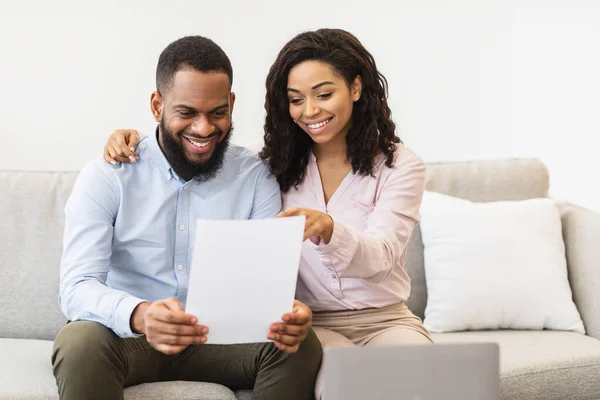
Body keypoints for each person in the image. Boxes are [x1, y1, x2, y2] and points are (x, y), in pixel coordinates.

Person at [103, 28, 432, 399]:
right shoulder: (270, 164)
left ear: (355, 88)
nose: (310, 111)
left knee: (424, 381)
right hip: (311, 323)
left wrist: (328, 228)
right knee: (349, 384)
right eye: (296, 100)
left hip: (384, 318)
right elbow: (199, 139)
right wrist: (136, 141)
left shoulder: (399, 165)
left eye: (324, 94)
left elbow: (383, 256)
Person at [54, 35, 321, 400]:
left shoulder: (255, 176)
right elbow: (76, 286)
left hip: (219, 340)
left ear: (231, 103)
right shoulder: (109, 174)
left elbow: (265, 284)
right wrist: (142, 315)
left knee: (301, 344)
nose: (204, 129)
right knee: (79, 340)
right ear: (156, 105)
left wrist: (288, 315)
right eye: (186, 113)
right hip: (130, 338)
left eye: (217, 112)